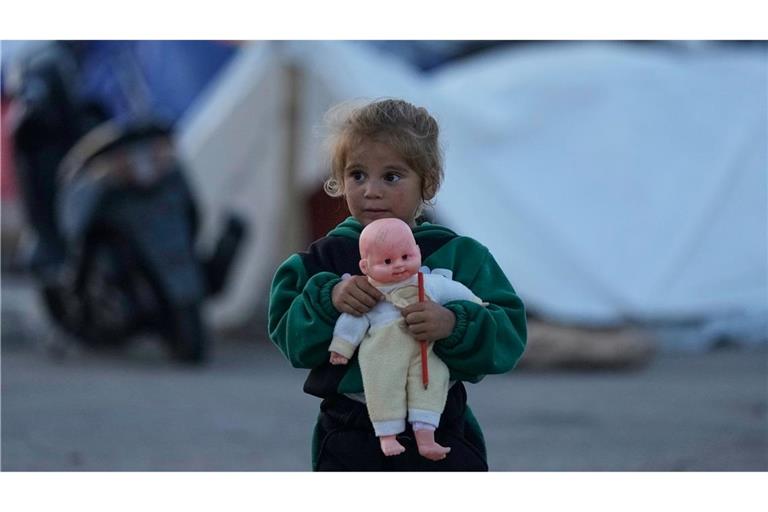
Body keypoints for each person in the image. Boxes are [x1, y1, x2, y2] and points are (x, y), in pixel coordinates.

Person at [268, 98, 527, 471]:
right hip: (350, 432)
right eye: (357, 175)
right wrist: (330, 299)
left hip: (442, 428)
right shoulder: (321, 260)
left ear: (429, 181)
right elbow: (288, 337)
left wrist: (454, 325)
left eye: (391, 176)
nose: (371, 190)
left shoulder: (459, 255)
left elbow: (509, 334)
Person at [328, 217, 485, 461]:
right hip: (383, 351)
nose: (399, 266)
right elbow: (353, 321)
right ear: (365, 266)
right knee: (382, 388)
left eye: (406, 257)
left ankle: (426, 435)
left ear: (417, 252)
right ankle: (387, 434)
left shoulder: (429, 284)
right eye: (387, 261)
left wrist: (476, 304)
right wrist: (342, 347)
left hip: (425, 349)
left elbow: (457, 292)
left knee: (432, 381)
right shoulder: (371, 292)